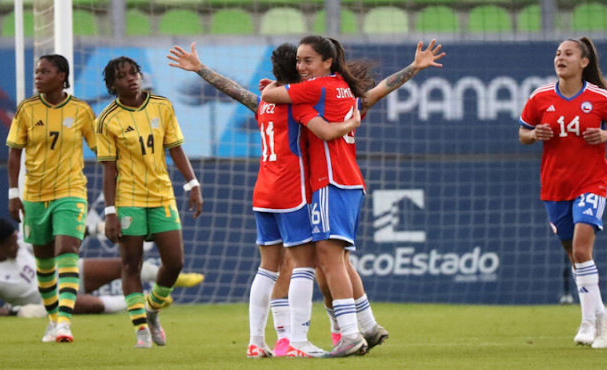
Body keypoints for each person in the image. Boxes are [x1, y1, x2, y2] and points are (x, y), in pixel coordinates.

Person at [167, 42, 360, 358]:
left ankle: (257, 341)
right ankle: (297, 342)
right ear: (296, 70)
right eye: (300, 63)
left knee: (268, 268)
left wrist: (200, 68)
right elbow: (325, 132)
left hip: (263, 192)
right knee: (303, 265)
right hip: (291, 190)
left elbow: (233, 90)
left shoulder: (263, 104)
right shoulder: (297, 105)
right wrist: (350, 123)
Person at [262, 36, 445, 357]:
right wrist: (414, 68)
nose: (301, 67)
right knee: (339, 260)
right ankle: (369, 326)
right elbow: (378, 91)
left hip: (328, 182)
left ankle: (348, 334)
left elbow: (267, 94)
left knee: (327, 261)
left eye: (307, 61)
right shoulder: (344, 90)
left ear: (327, 62)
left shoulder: (315, 90)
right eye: (298, 62)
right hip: (350, 182)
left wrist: (279, 86)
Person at [97, 56, 203, 349]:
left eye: (134, 73)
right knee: (131, 265)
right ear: (112, 85)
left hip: (162, 195)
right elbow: (109, 170)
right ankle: (141, 329)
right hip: (129, 199)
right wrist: (110, 212)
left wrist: (193, 183)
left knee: (175, 262)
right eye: (122, 76)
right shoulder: (106, 119)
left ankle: (152, 309)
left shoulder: (162, 105)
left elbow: (175, 148)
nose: (131, 79)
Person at [519, 37, 607, 349]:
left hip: (592, 182)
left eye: (568, 53)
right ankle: (601, 315)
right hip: (555, 187)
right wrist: (534, 134)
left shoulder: (599, 97)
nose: (561, 58)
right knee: (574, 255)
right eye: (558, 53)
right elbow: (522, 133)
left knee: (583, 250)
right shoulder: (540, 97)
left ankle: (586, 324)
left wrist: (605, 133)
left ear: (584, 62)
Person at [6, 54, 98, 343]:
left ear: (62, 76)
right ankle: (52, 318)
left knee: (66, 250)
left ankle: (64, 323)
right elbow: (14, 153)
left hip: (71, 191)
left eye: (44, 71)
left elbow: (100, 148)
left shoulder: (82, 110)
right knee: (44, 263)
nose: (38, 76)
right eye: (36, 71)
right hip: (34, 195)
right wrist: (13, 193)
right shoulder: (26, 109)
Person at [0, 218, 202, 319]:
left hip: (66, 272)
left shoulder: (20, 243)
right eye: (11, 243)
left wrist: (95, 229)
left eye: (15, 239)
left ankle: (175, 278)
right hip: (49, 297)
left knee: (124, 265)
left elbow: (61, 237)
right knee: (93, 305)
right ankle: (147, 300)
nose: (17, 245)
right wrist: (16, 312)